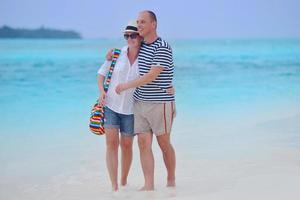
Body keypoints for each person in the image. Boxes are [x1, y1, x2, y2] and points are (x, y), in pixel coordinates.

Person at [115, 10, 176, 191]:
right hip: (139, 103)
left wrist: (126, 86)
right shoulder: (141, 46)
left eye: (143, 22)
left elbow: (151, 75)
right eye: (138, 22)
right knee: (143, 143)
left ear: (153, 24)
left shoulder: (162, 46)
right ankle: (149, 185)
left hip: (160, 103)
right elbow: (127, 52)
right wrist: (111, 54)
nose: (139, 25)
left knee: (163, 143)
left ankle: (171, 179)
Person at [97, 20, 142, 191]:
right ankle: (114, 185)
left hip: (132, 109)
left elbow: (153, 77)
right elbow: (101, 74)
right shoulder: (116, 54)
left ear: (140, 36)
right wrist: (102, 91)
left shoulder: (145, 56)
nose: (130, 39)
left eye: (133, 35)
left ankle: (123, 181)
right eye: (127, 36)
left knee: (127, 145)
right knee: (111, 143)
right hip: (111, 105)